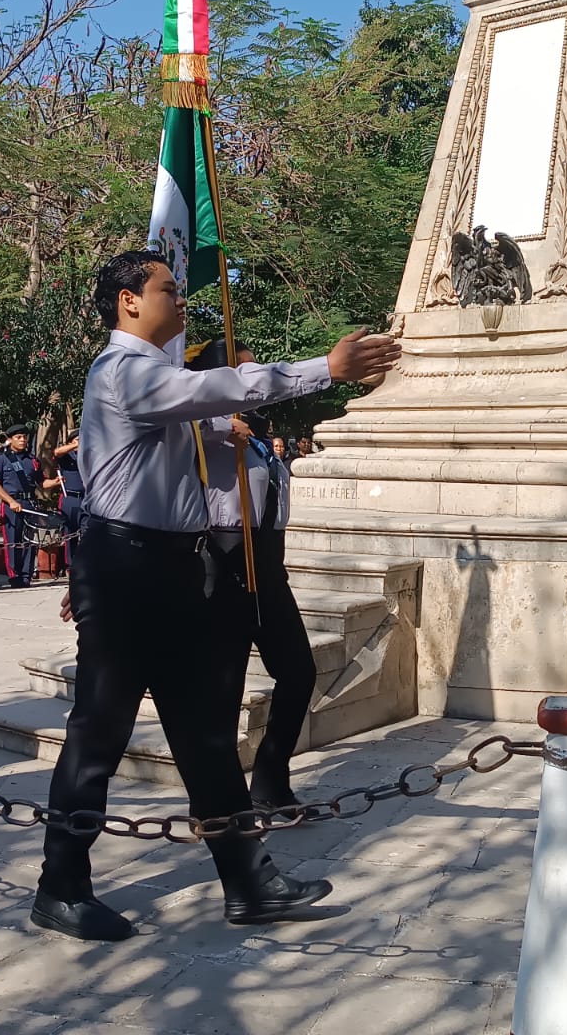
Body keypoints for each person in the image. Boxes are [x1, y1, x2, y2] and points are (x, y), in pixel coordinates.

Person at [33, 250, 401, 942]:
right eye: (168, 289)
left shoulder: (161, 379)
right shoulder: (122, 373)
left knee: (204, 730)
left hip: (172, 567)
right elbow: (216, 390)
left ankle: (247, 881)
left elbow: (208, 409)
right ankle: (62, 885)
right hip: (124, 569)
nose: (181, 300)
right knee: (100, 730)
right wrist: (325, 369)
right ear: (127, 302)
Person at [187, 339, 315, 810]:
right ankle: (218, 801)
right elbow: (178, 423)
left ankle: (270, 776)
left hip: (267, 561)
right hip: (225, 559)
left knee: (299, 672)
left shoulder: (259, 436)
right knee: (224, 686)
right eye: (245, 373)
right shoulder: (201, 426)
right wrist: (220, 424)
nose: (256, 380)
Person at [0, 424, 43, 588]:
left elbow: (42, 482)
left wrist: (56, 482)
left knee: (30, 540)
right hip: (11, 503)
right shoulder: (1, 458)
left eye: (24, 437)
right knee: (12, 540)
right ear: (10, 439)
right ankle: (15, 576)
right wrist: (10, 501)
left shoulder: (32, 459)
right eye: (18, 437)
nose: (22, 440)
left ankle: (27, 575)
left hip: (29, 503)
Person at [54, 430, 85, 567]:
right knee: (69, 532)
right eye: (77, 439)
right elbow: (57, 452)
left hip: (86, 498)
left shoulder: (88, 455)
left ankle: (85, 564)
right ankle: (70, 565)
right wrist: (75, 445)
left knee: (87, 531)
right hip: (70, 498)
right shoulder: (67, 456)